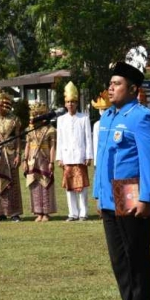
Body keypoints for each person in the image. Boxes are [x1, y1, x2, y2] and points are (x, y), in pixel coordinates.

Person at [95, 62, 150, 300]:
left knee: (136, 255)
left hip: (130, 191)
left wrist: (147, 197)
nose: (111, 88)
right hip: (110, 195)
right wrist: (99, 196)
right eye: (110, 83)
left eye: (117, 83)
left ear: (134, 89)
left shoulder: (141, 117)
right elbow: (101, 161)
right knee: (119, 258)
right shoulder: (107, 117)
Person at [56, 81, 93, 221]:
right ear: (65, 104)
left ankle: (83, 213)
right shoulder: (61, 120)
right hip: (67, 156)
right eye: (68, 102)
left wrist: (89, 155)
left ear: (77, 103)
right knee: (69, 186)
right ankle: (73, 213)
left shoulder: (84, 118)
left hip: (80, 156)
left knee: (82, 186)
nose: (70, 104)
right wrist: (60, 157)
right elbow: (59, 139)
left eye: (73, 101)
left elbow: (88, 138)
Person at [0, 89, 23, 222]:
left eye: (2, 105)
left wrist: (19, 154)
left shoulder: (14, 119)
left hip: (11, 153)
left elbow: (18, 137)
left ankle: (14, 213)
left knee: (12, 183)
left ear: (7, 104)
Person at [23, 102, 57, 222]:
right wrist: (24, 160)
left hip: (45, 159)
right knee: (35, 184)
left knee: (46, 183)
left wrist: (51, 162)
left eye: (39, 114)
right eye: (35, 114)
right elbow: (27, 145)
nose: (36, 116)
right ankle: (38, 212)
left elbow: (52, 146)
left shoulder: (50, 129)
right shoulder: (29, 130)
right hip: (33, 159)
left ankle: (46, 212)